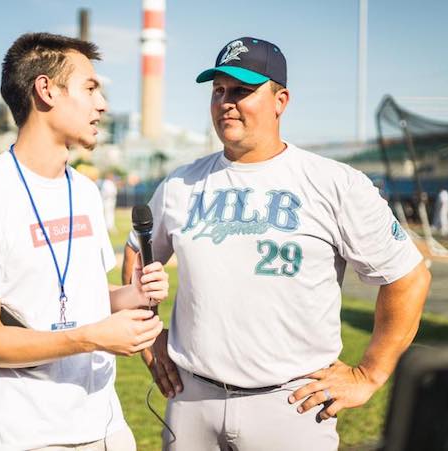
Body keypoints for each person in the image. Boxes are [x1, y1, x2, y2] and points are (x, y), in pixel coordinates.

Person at [126, 36, 431, 450]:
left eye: (242, 91)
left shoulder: (334, 183)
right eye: (218, 91)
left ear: (280, 100)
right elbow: (137, 251)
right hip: (191, 397)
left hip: (291, 405)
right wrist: (151, 335)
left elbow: (407, 276)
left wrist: (369, 374)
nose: (226, 102)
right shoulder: (181, 183)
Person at [0, 32, 169, 450]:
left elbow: (85, 300)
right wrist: (94, 337)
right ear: (46, 90)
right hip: (21, 436)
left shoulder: (86, 191)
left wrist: (131, 295)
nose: (102, 105)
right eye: (90, 88)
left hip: (105, 426)